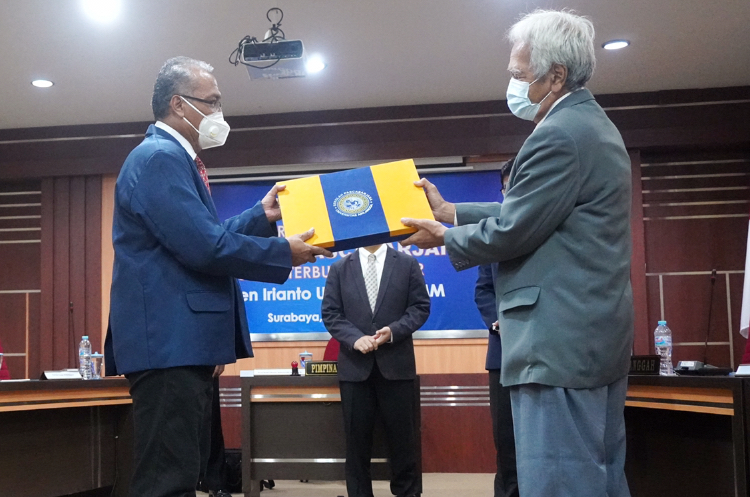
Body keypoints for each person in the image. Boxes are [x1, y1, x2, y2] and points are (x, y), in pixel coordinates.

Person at [401, 10, 633, 497]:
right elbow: (535, 208)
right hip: (589, 336)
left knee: (560, 483)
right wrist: (451, 212)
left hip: (556, 343)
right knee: (599, 477)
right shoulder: (591, 125)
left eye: (519, 73)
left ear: (556, 75)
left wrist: (443, 238)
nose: (512, 83)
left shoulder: (558, 133)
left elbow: (514, 228)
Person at [104, 56, 331, 497]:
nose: (219, 113)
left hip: (179, 345)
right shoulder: (159, 158)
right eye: (212, 102)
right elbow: (204, 248)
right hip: (168, 345)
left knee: (180, 475)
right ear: (178, 104)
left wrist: (261, 216)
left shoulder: (173, 159)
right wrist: (283, 252)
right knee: (167, 482)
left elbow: (201, 237)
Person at [322, 243, 430, 497]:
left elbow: (420, 307)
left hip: (397, 366)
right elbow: (331, 313)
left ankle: (407, 493)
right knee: (356, 444)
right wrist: (354, 338)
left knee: (403, 442)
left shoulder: (407, 264)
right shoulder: (339, 268)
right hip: (354, 369)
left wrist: (393, 331)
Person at [474, 160, 518, 497]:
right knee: (506, 441)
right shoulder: (492, 237)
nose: (508, 194)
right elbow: (483, 290)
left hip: (544, 353)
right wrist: (497, 319)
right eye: (505, 188)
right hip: (502, 354)